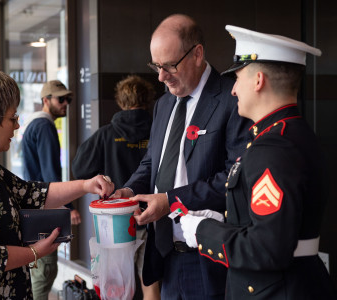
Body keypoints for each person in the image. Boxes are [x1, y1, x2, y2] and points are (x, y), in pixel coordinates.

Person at [180, 25, 337, 299]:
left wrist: (203, 231)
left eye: (238, 78)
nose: (233, 90)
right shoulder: (291, 134)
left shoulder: (274, 148)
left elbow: (266, 249)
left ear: (258, 80)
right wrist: (224, 221)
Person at [0, 69, 114, 299]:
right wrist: (33, 252)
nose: (17, 126)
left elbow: (30, 193)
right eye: (12, 118)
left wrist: (85, 185)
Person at [111, 14, 251, 299]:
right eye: (156, 66)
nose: (161, 76)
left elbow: (235, 179)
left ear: (197, 54)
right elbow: (153, 162)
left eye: (169, 66)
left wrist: (170, 201)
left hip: (208, 257)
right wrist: (127, 191)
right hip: (164, 252)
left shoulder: (231, 99)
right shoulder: (164, 104)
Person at [72, 75, 160, 299]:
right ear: (149, 99)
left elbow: (79, 167)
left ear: (120, 101)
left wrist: (103, 179)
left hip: (115, 221)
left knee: (116, 283)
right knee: (150, 279)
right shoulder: (159, 131)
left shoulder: (106, 134)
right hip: (154, 214)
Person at [21, 79, 82, 300]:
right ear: (46, 100)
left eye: (69, 99)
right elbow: (50, 175)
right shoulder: (44, 125)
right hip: (44, 209)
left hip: (37, 206)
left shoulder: (34, 124)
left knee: (42, 270)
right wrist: (68, 205)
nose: (66, 103)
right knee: (44, 272)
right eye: (61, 99)